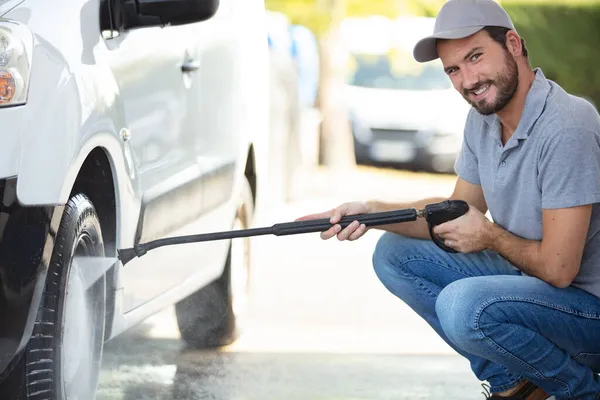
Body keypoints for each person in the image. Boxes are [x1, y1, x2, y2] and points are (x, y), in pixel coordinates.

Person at [296, 0, 600, 399]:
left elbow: (559, 270)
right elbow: (456, 213)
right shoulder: (484, 121)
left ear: (512, 44)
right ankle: (518, 385)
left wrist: (489, 236)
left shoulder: (567, 124)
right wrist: (371, 213)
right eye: (453, 69)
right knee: (393, 254)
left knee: (463, 306)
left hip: (586, 312)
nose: (467, 80)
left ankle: (579, 391)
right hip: (533, 291)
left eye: (475, 57)